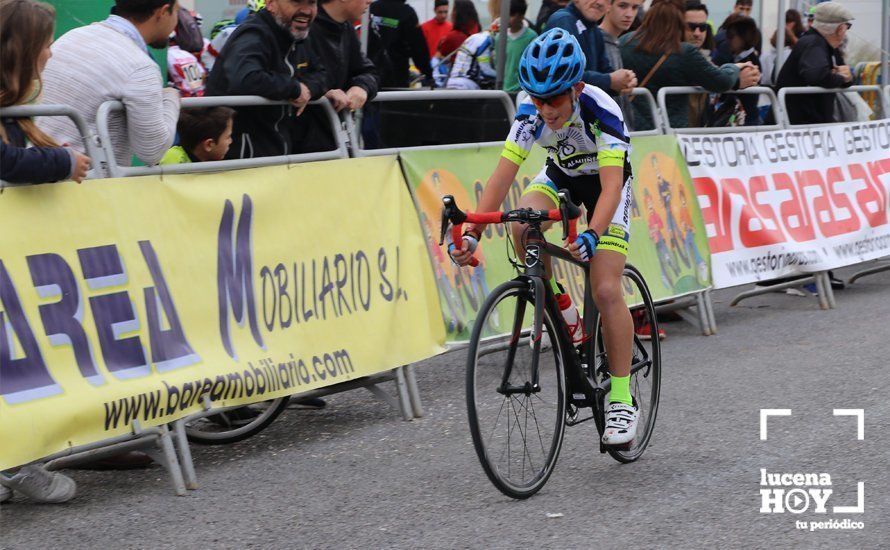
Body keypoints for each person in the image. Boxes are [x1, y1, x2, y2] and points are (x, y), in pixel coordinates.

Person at [450, 29, 640, 445]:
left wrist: (592, 233)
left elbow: (610, 188)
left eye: (553, 99)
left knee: (607, 289)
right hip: (561, 175)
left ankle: (623, 401)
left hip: (607, 185)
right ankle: (565, 314)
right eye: (537, 98)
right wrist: (475, 230)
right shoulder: (529, 111)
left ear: (575, 88)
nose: (545, 109)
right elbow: (504, 174)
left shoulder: (600, 108)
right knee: (521, 224)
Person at [38, 0, 181, 167]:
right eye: (177, 12)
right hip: (84, 186)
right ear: (163, 12)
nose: (177, 22)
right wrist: (171, 98)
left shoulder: (72, 36)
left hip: (37, 172)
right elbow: (152, 151)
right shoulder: (139, 66)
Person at [205, 0, 328, 158]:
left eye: (312, 3)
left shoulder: (298, 36)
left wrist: (308, 89)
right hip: (239, 155)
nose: (306, 10)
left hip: (276, 149)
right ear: (270, 3)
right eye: (296, 1)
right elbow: (245, 78)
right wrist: (295, 89)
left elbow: (321, 74)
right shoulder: (254, 33)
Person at [619, 0, 760, 129]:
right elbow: (720, 81)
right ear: (678, 22)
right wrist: (734, 68)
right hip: (669, 131)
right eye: (690, 26)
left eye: (702, 27)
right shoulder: (683, 51)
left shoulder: (624, 42)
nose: (697, 33)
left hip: (629, 127)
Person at [0, 0, 90, 186]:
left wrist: (51, 161)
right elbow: (6, 162)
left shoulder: (11, 107)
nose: (51, 54)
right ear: (26, 51)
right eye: (47, 46)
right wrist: (64, 161)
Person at [775, 1, 853, 125]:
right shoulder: (813, 43)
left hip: (810, 125)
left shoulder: (828, 47)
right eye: (847, 27)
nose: (846, 32)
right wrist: (840, 78)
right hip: (798, 126)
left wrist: (847, 78)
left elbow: (841, 75)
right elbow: (817, 75)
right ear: (839, 29)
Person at [546, 0, 638, 95]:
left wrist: (624, 81)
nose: (600, 2)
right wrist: (609, 80)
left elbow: (604, 70)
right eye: (622, 5)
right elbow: (560, 74)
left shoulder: (594, 30)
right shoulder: (563, 21)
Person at [311, 0, 379, 114]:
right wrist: (321, 93)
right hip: (296, 126)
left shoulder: (346, 28)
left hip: (333, 127)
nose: (370, 1)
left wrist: (361, 86)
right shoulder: (304, 27)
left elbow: (368, 71)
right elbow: (289, 77)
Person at [368, 0, 434, 88]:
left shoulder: (372, 8)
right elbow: (418, 48)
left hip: (371, 72)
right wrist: (428, 73)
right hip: (397, 74)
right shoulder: (407, 12)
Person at [599, 0, 642, 127]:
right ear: (608, 6)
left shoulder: (614, 42)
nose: (629, 14)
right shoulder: (598, 40)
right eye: (622, 6)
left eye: (635, 7)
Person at [160, 106, 234, 164]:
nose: (231, 141)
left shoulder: (210, 158)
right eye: (228, 137)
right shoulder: (173, 161)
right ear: (209, 144)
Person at [501, 0, 538, 93]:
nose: (507, 18)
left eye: (512, 15)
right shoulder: (499, 37)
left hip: (522, 91)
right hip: (503, 90)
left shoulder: (531, 37)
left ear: (521, 16)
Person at [760, 10, 804, 86]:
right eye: (786, 21)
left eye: (789, 22)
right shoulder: (790, 54)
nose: (786, 25)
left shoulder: (764, 56)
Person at [712, 0, 753, 65]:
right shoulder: (725, 27)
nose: (744, 12)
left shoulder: (754, 31)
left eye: (748, 9)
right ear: (735, 7)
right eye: (741, 8)